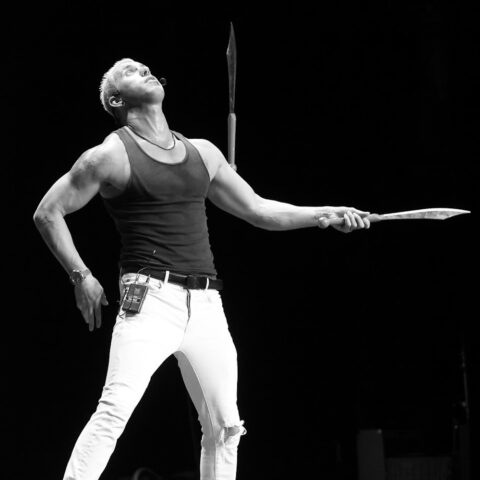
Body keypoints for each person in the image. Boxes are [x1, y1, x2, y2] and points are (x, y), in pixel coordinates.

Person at [33, 58, 371, 480]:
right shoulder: (110, 155)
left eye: (145, 67)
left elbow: (259, 210)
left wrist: (328, 213)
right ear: (116, 100)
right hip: (150, 300)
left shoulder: (204, 152)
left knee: (225, 427)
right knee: (115, 409)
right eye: (131, 70)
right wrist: (81, 276)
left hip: (208, 304)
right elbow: (47, 212)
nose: (145, 69)